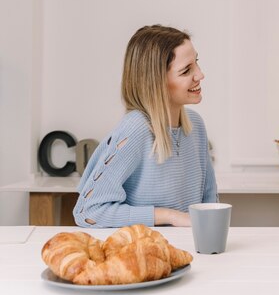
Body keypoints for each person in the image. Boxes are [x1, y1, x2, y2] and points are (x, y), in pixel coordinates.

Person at [73, 25, 218, 228]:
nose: (200, 75)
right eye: (186, 70)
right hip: (143, 254)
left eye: (197, 63)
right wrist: (169, 216)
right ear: (156, 81)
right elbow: (87, 212)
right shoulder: (136, 129)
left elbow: (209, 201)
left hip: (189, 250)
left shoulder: (195, 125)